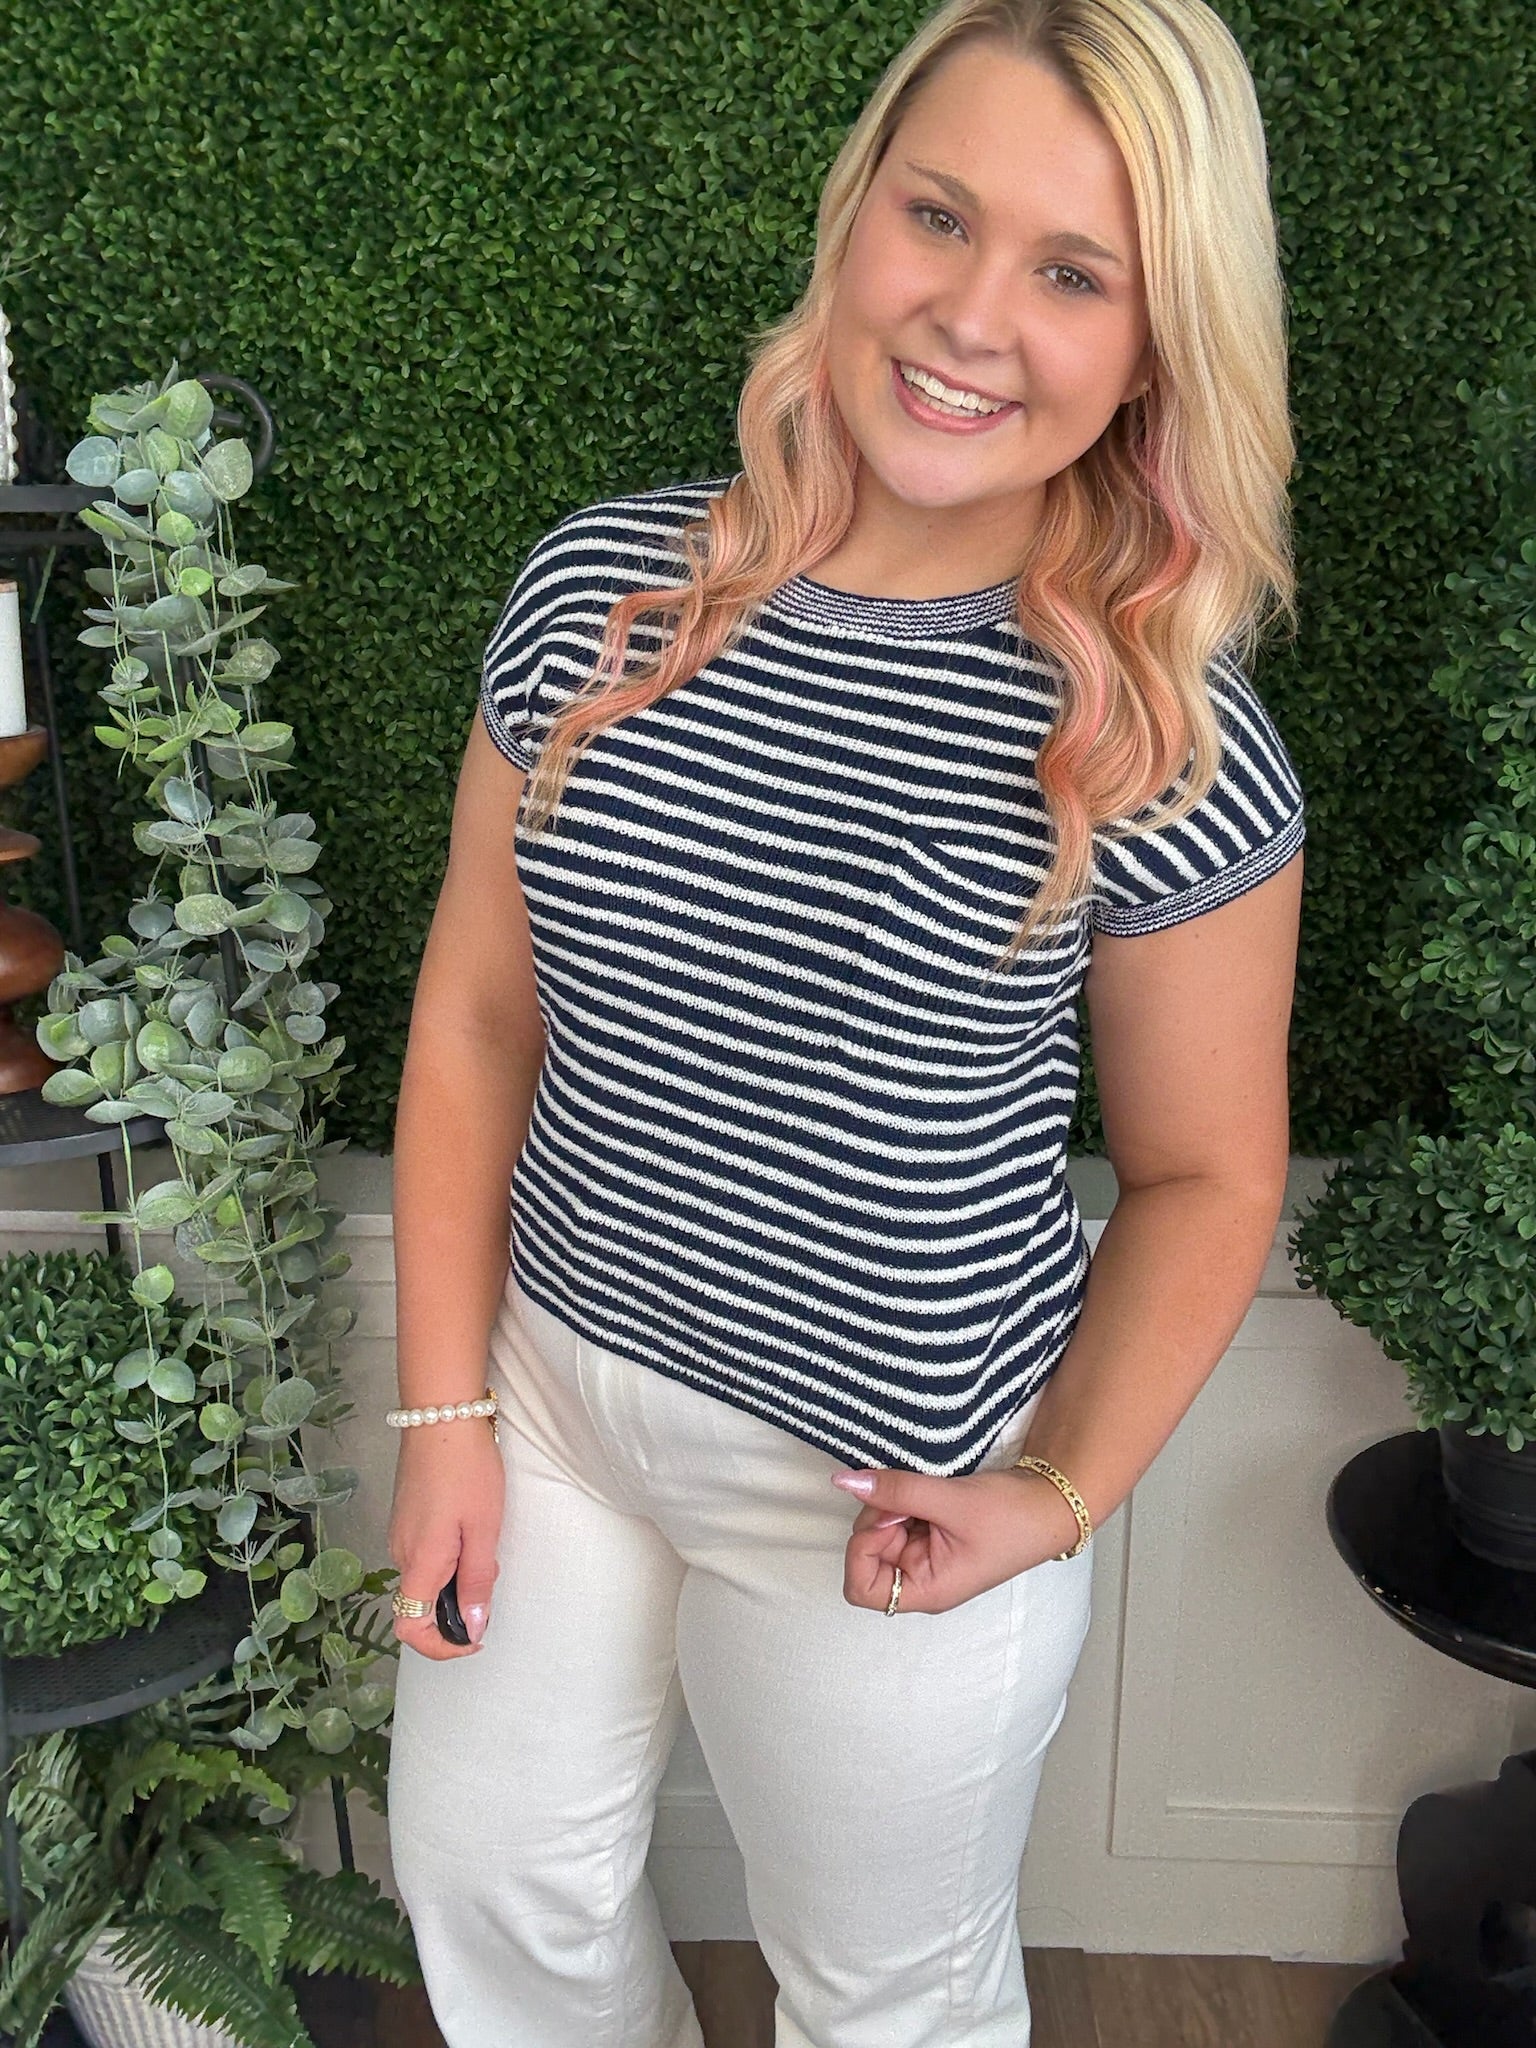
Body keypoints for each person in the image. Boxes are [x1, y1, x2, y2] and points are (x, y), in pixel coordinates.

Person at [384, 0, 1306, 2040]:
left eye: (1075, 274)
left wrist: (1056, 1495)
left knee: (885, 1995)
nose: (972, 318)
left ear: (1159, 345)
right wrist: (444, 1416)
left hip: (885, 1483)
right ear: (855, 216)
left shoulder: (1158, 738)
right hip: (556, 1394)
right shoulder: (599, 592)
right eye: (940, 218)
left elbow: (1207, 1174)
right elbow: (475, 1020)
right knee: (486, 1884)